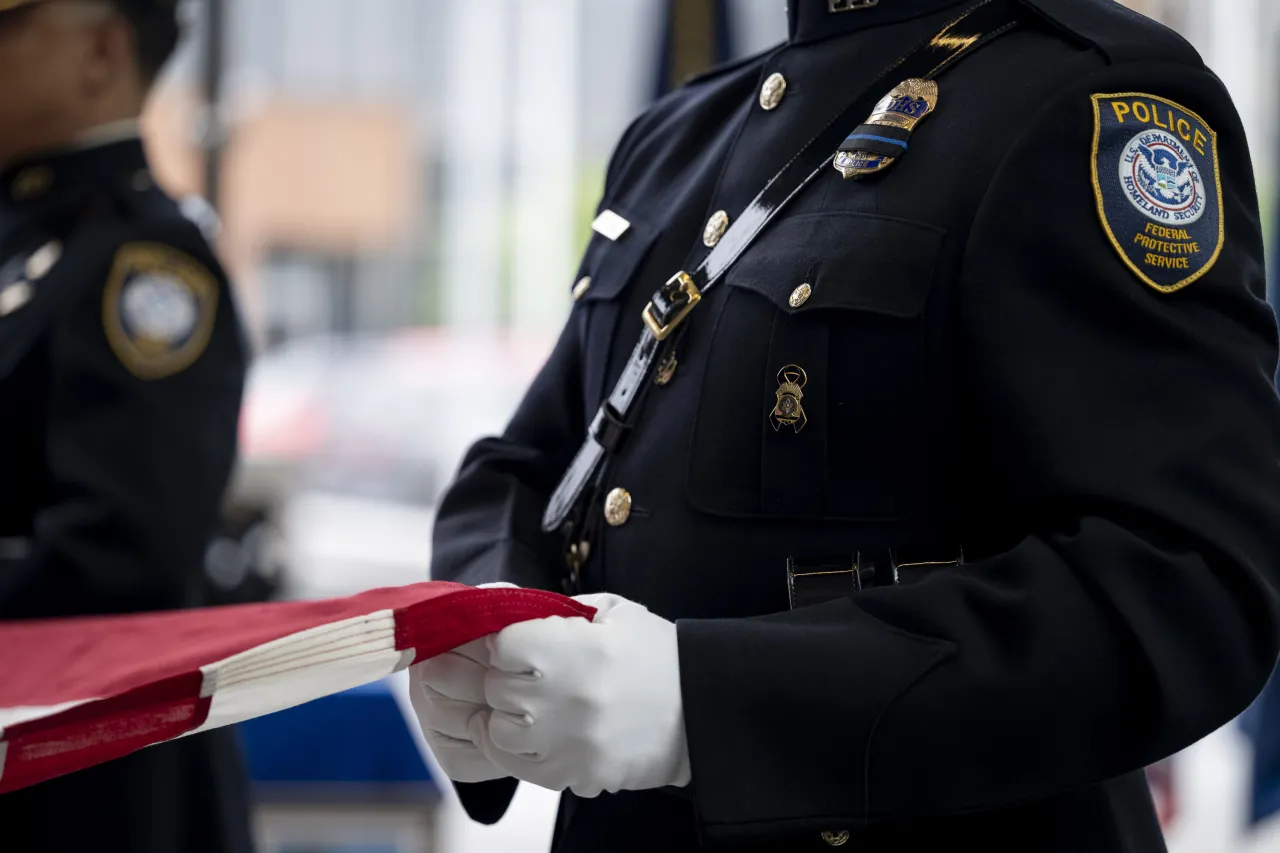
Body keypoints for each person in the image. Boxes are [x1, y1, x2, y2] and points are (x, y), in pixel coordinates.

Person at [411, 0, 1280, 850]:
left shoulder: (1080, 96)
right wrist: (488, 622)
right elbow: (528, 466)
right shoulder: (676, 135)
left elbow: (1185, 580)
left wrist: (707, 704)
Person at [0, 1, 254, 851]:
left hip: (82, 787)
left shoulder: (143, 265)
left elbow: (121, 552)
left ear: (100, 50)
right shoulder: (28, 245)